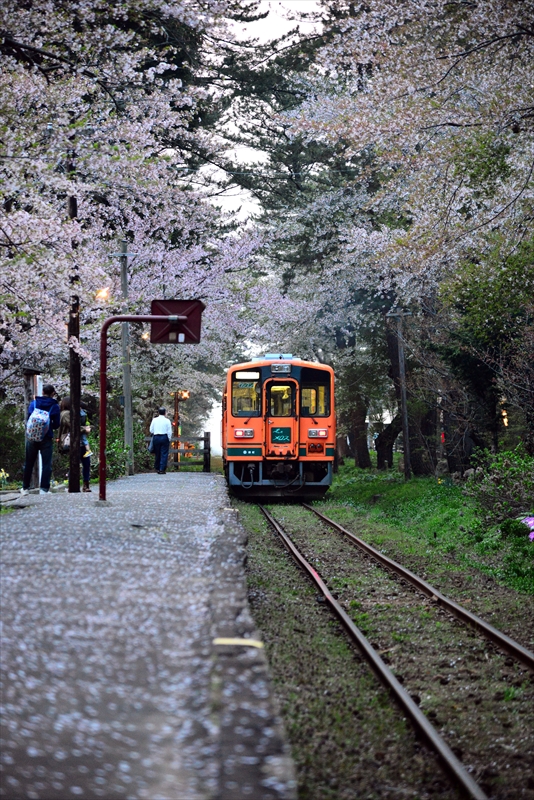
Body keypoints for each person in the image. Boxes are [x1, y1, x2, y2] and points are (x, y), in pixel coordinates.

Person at [21, 384, 61, 495]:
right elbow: (57, 424)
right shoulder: (55, 406)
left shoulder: (34, 404)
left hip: (32, 437)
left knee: (29, 462)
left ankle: (25, 488)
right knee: (46, 464)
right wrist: (48, 427)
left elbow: (29, 418)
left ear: (42, 392)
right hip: (46, 438)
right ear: (53, 393)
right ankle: (44, 489)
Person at [58, 396, 93, 492]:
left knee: (86, 463)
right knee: (74, 464)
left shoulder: (76, 412)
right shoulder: (65, 414)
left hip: (80, 442)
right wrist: (84, 429)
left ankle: (86, 484)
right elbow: (73, 426)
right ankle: (72, 484)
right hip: (71, 442)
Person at [150, 407, 172, 474]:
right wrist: (169, 438)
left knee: (157, 453)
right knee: (164, 453)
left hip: (156, 437)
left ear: (158, 412)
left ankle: (157, 468)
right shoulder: (167, 421)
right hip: (164, 437)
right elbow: (169, 431)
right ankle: (162, 469)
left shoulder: (154, 420)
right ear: (165, 413)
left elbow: (151, 430)